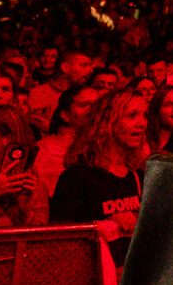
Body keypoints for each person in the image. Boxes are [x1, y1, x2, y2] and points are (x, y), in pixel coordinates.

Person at [49, 84, 155, 254]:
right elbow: (60, 238)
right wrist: (102, 225)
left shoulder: (138, 175)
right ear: (107, 122)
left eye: (145, 116)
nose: (141, 123)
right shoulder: (77, 178)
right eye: (132, 116)